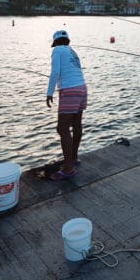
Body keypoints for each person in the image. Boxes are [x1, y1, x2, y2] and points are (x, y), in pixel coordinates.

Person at [46, 30, 87, 181]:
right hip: (82, 87)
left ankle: (68, 169)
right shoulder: (72, 51)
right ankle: (74, 158)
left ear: (56, 42)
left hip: (69, 90)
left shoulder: (57, 50)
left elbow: (55, 72)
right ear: (67, 40)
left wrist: (49, 92)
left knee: (62, 128)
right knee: (76, 124)